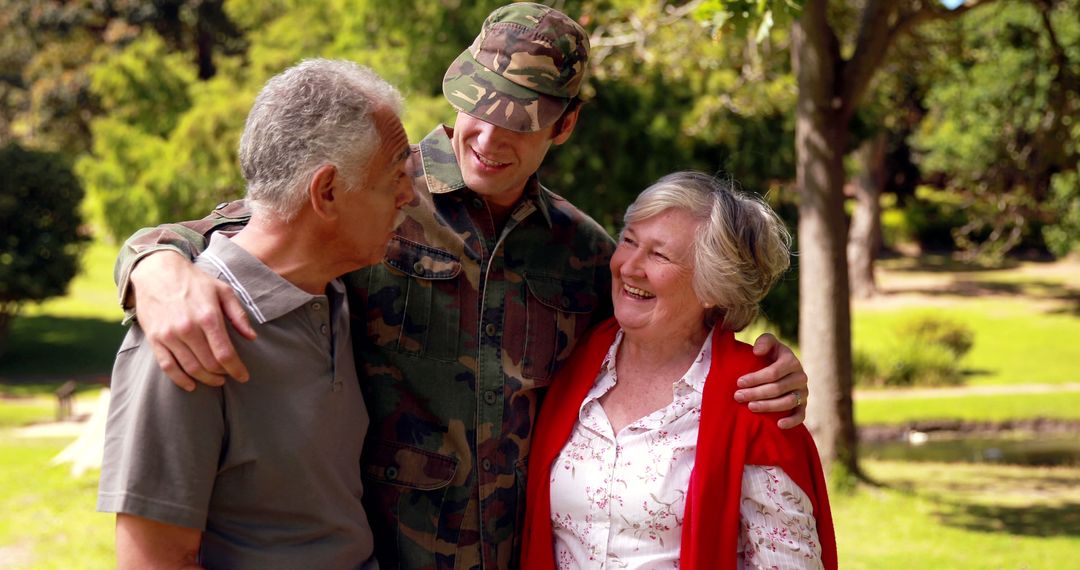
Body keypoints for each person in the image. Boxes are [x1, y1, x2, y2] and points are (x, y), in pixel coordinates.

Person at [112, 4, 810, 568]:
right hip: (381, 551)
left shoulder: (583, 251)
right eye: (479, 106)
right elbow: (249, 229)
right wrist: (151, 264)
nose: (488, 136)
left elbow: (661, 340)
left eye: (521, 122)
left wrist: (762, 365)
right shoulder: (373, 192)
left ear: (565, 126)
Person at [97, 58, 413, 569]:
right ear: (327, 191)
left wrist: (149, 254)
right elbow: (154, 561)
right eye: (395, 176)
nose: (410, 196)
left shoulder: (333, 290)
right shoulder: (187, 336)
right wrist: (151, 266)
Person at [522, 172, 837, 570]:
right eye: (629, 241)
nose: (629, 267)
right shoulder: (574, 358)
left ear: (712, 287)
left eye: (659, 255)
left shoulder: (754, 399)